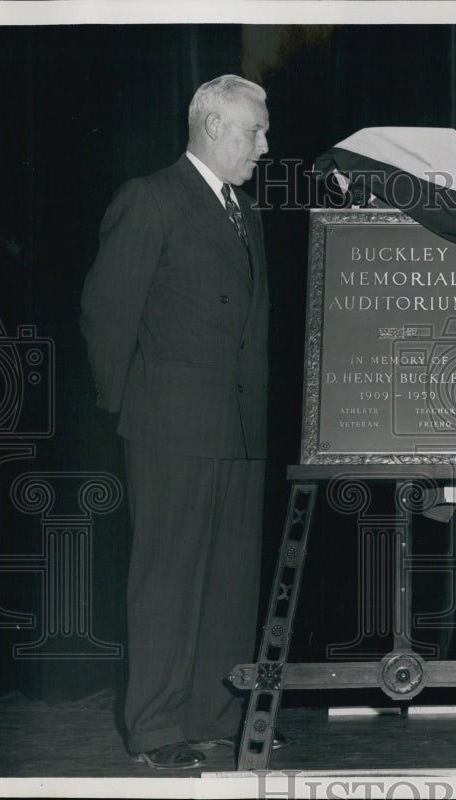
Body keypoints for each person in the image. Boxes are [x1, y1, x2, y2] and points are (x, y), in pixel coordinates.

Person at [80, 75, 278, 770]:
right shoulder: (151, 198)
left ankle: (216, 714)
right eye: (255, 130)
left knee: (230, 579)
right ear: (215, 126)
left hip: (240, 426)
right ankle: (157, 729)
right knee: (166, 580)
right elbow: (107, 315)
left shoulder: (245, 210)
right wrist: (129, 409)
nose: (264, 144)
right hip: (169, 425)